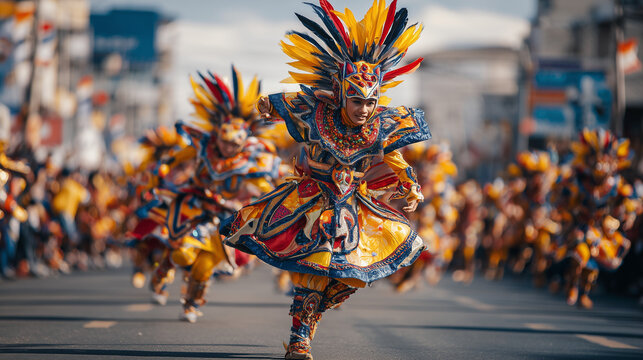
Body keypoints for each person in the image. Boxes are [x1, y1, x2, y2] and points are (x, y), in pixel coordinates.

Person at [222, 1, 430, 358]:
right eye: (355, 99)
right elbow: (266, 106)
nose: (363, 109)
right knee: (314, 268)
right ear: (340, 91)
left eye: (369, 101)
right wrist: (288, 102)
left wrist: (411, 187)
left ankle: (310, 316)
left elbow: (395, 159)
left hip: (354, 206)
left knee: (350, 274)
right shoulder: (312, 110)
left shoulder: (380, 125)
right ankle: (300, 339)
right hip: (312, 200)